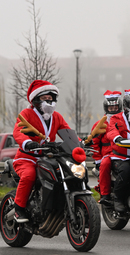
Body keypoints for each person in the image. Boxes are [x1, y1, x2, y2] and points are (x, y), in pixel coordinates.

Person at [12, 80, 71, 223]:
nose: (49, 101)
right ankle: (18, 209)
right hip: (26, 158)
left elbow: (67, 132)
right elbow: (18, 131)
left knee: (63, 173)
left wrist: (77, 143)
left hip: (47, 158)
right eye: (45, 98)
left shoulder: (56, 116)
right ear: (36, 100)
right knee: (29, 175)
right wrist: (28, 143)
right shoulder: (26, 113)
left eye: (51, 98)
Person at [104, 89, 130, 212]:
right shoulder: (116, 118)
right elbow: (111, 130)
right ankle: (118, 198)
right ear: (126, 105)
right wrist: (118, 138)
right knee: (126, 170)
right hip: (122, 156)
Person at [90, 91, 123, 206]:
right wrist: (98, 160)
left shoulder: (124, 121)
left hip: (123, 153)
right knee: (104, 164)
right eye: (111, 107)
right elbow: (94, 143)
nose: (113, 109)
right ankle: (105, 195)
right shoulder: (100, 124)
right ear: (106, 107)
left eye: (115, 106)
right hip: (107, 155)